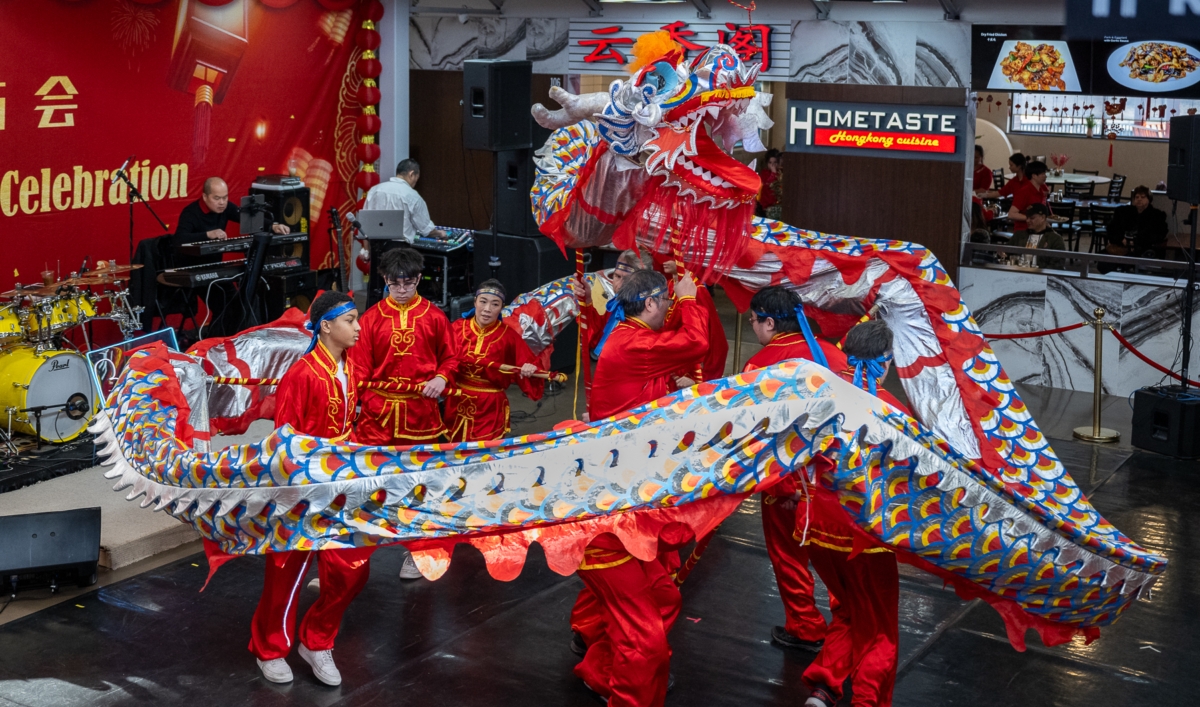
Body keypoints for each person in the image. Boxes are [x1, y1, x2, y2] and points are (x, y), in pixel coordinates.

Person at [571, 269, 708, 706]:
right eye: (665, 302)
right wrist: (689, 301)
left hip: (636, 503)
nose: (669, 308)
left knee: (665, 597)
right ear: (650, 304)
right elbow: (695, 343)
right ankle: (628, 685)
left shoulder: (630, 338)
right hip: (611, 512)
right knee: (645, 637)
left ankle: (602, 670)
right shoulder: (630, 343)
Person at [250, 291, 372, 687]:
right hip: (302, 492)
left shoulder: (351, 368)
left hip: (343, 488)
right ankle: (269, 648)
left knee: (352, 570)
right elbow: (283, 444)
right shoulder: (301, 375)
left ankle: (317, 640)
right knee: (286, 575)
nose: (357, 327)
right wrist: (297, 491)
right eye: (350, 320)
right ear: (326, 325)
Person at [802, 319, 906, 707]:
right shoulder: (889, 410)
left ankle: (825, 686)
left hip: (815, 525)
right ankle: (866, 699)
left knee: (848, 607)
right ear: (885, 361)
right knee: (880, 627)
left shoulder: (817, 395)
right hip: (864, 536)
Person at [742, 286, 850, 652]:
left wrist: (780, 487)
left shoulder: (758, 367)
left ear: (769, 322)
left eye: (754, 321)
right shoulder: (833, 356)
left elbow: (761, 436)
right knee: (839, 558)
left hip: (788, 482)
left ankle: (806, 627)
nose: (754, 328)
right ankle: (850, 625)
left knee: (790, 557)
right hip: (837, 479)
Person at [349, 247, 457, 579]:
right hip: (377, 416)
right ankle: (352, 557)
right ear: (384, 280)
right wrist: (357, 401)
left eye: (409, 283)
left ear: (418, 280)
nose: (402, 289)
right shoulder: (370, 320)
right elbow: (358, 368)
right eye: (395, 283)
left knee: (419, 487)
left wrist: (440, 378)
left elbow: (451, 359)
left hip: (419, 416)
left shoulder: (435, 317)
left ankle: (420, 555)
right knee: (366, 486)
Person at [444, 279, 542, 442]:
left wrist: (529, 369)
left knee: (484, 456)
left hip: (489, 405)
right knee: (453, 452)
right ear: (475, 302)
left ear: (502, 308)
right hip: (457, 399)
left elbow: (533, 366)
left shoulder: (508, 337)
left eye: (495, 304)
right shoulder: (457, 328)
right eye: (483, 302)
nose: (487, 309)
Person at [173, 176, 290, 266]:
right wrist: (208, 234)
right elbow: (179, 239)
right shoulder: (190, 213)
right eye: (217, 198)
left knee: (233, 296)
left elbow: (247, 217)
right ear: (205, 197)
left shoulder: (226, 207)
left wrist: (273, 225)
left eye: (225, 197)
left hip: (215, 265)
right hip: (190, 266)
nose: (222, 202)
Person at [661, 259, 728, 385]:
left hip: (688, 373)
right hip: (667, 365)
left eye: (669, 256)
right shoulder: (668, 285)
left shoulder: (697, 291)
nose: (663, 260)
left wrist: (704, 379)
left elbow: (716, 339)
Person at [363, 159, 446, 243]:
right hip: (399, 250)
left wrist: (366, 251)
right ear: (411, 174)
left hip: (375, 247)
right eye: (417, 178)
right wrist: (440, 233)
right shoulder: (413, 196)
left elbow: (365, 224)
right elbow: (427, 229)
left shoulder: (374, 190)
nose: (415, 182)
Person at [1108, 185, 1169, 257]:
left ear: (1149, 200)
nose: (1139, 199)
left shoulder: (1157, 215)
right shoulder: (1123, 212)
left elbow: (1158, 235)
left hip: (1143, 248)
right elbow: (1111, 229)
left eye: (1143, 197)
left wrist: (1136, 242)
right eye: (1137, 197)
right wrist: (1121, 239)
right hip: (1122, 245)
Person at [1008, 204, 1067, 269]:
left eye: (1032, 218)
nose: (1027, 220)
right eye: (1027, 217)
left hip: (1042, 275)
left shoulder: (1055, 239)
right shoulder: (1019, 235)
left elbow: (1057, 266)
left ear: (1042, 218)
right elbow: (1006, 254)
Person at [1007, 160, 1050, 233]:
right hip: (1024, 232)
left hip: (1037, 230)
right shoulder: (1024, 192)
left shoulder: (1041, 190)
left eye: (1045, 173)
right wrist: (1032, 218)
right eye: (1042, 174)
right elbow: (1011, 214)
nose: (1045, 176)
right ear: (1034, 176)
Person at [758, 148, 783, 220]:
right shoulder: (764, 173)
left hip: (778, 204)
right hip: (767, 205)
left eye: (775, 162)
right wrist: (773, 173)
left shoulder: (781, 173)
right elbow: (768, 184)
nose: (772, 165)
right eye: (770, 163)